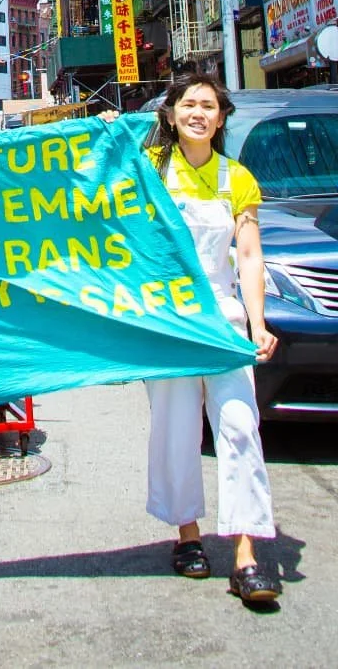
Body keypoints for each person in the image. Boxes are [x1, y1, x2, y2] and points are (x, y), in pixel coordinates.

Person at [139, 72, 279, 605]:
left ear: (221, 119)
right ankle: (188, 536)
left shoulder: (237, 178)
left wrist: (258, 324)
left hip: (223, 318)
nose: (198, 113)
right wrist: (106, 131)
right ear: (171, 115)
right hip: (169, 320)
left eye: (208, 106)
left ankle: (246, 555)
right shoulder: (149, 169)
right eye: (188, 104)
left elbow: (250, 256)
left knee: (240, 426)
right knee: (176, 429)